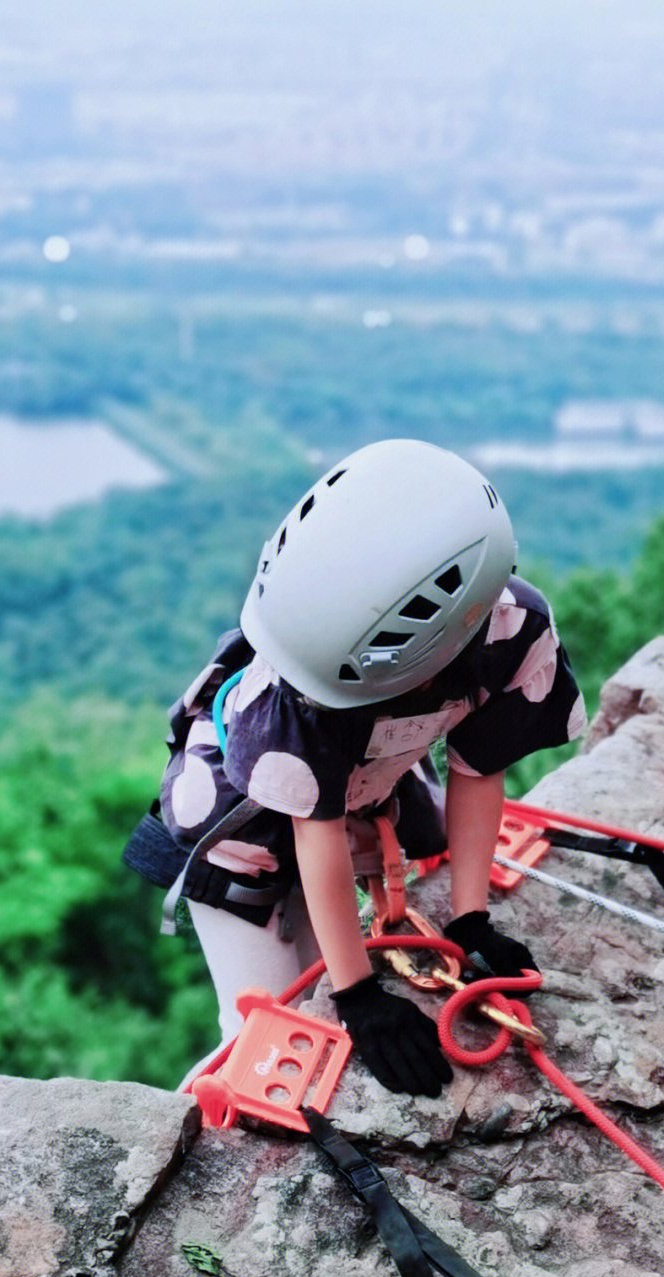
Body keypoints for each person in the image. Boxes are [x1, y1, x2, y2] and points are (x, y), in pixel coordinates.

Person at [125, 440, 585, 1097]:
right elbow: (317, 831)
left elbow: (479, 767)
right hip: (239, 819)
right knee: (261, 1016)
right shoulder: (312, 678)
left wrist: (469, 918)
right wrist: (358, 996)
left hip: (361, 786)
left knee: (320, 979)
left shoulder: (510, 635)